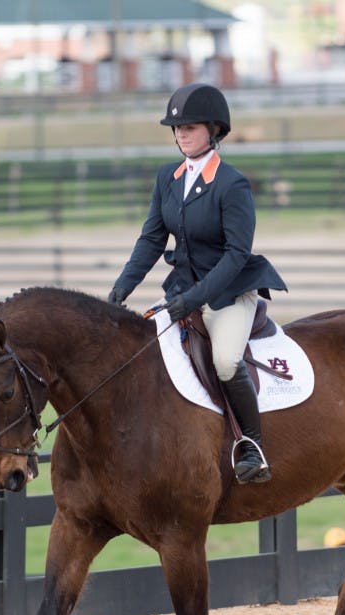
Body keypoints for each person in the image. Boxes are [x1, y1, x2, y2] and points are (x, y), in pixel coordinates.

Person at [108, 82, 287, 485]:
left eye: (189, 127)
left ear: (213, 129)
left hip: (227, 292)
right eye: (176, 128)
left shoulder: (232, 184)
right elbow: (152, 239)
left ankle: (252, 447)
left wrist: (193, 299)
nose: (180, 134)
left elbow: (237, 254)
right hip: (181, 290)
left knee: (225, 360)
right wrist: (121, 288)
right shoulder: (167, 178)